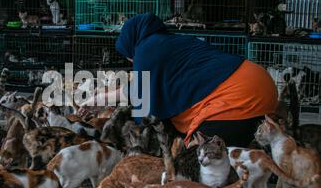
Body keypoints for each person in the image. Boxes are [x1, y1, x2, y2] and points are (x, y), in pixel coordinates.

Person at [114, 13, 278, 148]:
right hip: (262, 84)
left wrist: (137, 134)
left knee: (194, 160)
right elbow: (136, 88)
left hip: (237, 96)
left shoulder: (144, 50)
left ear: (131, 43)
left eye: (128, 56)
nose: (131, 61)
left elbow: (143, 108)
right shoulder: (175, 42)